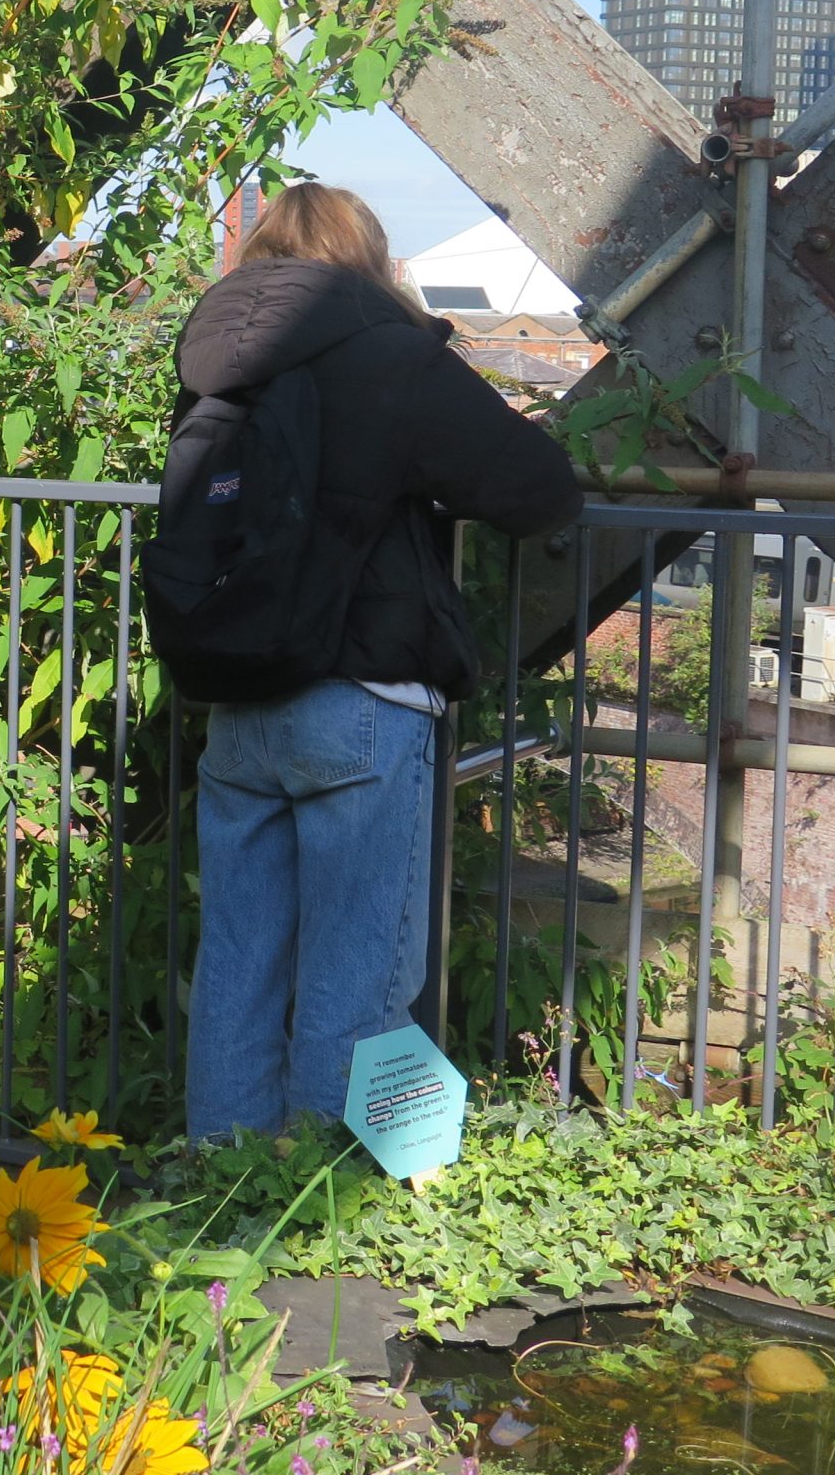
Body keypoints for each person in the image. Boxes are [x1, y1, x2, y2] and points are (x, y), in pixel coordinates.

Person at [171, 184, 581, 1141]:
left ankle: (221, 1193)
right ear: (370, 260)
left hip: (239, 700)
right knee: (360, 980)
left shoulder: (214, 365)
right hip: (363, 701)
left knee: (237, 971)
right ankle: (332, 1222)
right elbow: (535, 489)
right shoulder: (388, 355)